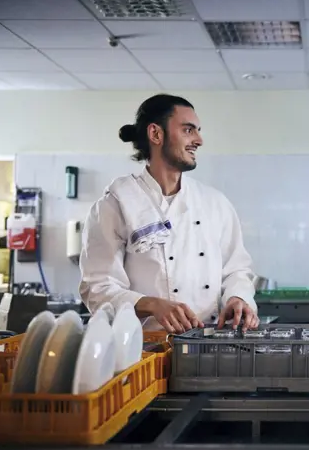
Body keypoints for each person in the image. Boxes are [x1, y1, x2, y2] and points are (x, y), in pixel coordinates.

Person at [79, 94, 259, 333]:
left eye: (198, 130)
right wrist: (152, 305)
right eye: (188, 130)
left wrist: (238, 297)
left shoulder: (215, 202)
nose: (199, 140)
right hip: (143, 349)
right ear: (156, 134)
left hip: (209, 344)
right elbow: (97, 286)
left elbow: (237, 269)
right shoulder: (116, 204)